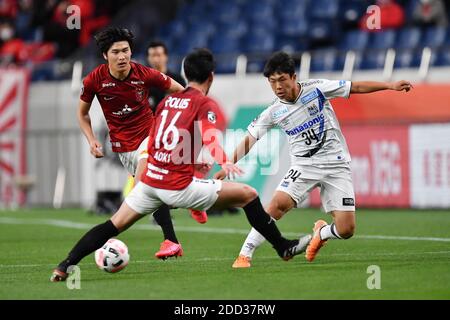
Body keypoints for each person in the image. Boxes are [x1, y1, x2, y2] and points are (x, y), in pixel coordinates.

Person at [50, 48, 310, 282]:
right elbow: (209, 135)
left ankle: (65, 264)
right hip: (175, 186)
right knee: (248, 195)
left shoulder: (166, 102)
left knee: (113, 224)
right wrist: (222, 160)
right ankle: (283, 248)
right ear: (211, 77)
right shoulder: (204, 103)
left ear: (185, 74)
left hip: (150, 182)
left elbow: (160, 140)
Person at [214, 51, 413, 268]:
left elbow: (354, 87)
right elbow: (249, 140)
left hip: (337, 164)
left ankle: (322, 233)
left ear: (293, 76)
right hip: (304, 165)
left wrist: (390, 85)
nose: (278, 86)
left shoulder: (317, 89)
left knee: (346, 230)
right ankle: (245, 254)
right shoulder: (273, 111)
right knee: (277, 204)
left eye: (282, 80)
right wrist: (228, 163)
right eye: (272, 82)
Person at [77, 27, 189, 260]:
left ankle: (169, 236)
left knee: (145, 188)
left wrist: (174, 120)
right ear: (105, 56)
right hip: (124, 148)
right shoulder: (94, 80)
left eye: (126, 50)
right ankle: (179, 212)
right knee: (148, 194)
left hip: (151, 138)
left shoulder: (144, 73)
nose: (122, 56)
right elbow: (83, 114)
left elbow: (181, 92)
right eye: (116, 52)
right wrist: (92, 140)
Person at [146, 40, 208, 224]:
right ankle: (163, 213)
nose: (156, 58)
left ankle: (190, 203)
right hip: (150, 136)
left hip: (174, 136)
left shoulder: (176, 81)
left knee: (171, 173)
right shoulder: (145, 82)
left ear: (165, 56)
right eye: (152, 55)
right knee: (153, 174)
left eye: (159, 54)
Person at [146, 41, 186, 110]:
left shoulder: (178, 80)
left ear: (166, 56)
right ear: (148, 58)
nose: (155, 59)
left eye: (158, 55)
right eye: (152, 55)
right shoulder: (143, 83)